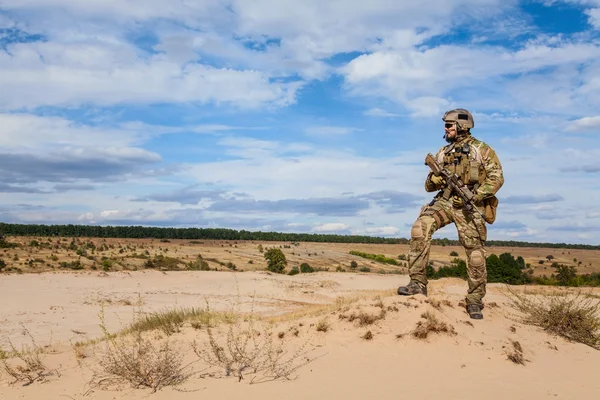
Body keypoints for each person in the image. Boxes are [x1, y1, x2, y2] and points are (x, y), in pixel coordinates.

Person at [397, 108, 504, 320]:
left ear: (461, 126)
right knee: (420, 228)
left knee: (475, 254)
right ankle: (417, 284)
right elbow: (428, 186)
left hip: (468, 205)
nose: (445, 129)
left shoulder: (482, 150)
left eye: (448, 125)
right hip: (445, 202)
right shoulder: (442, 153)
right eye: (445, 125)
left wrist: (476, 195)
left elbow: (496, 178)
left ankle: (474, 300)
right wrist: (434, 180)